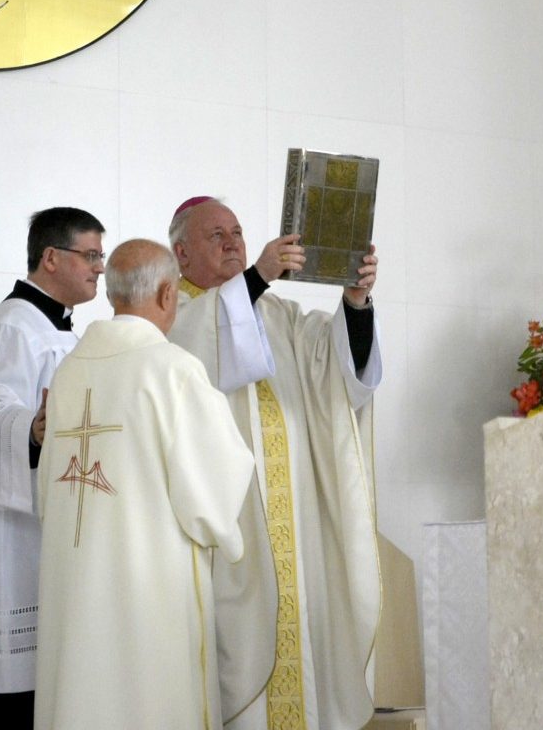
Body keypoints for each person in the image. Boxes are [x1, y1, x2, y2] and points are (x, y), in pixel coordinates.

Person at [167, 196, 383, 730]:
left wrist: (355, 302)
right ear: (181, 253)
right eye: (216, 235)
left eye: (237, 232)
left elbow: (337, 377)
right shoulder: (175, 318)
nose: (232, 242)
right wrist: (259, 276)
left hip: (297, 531)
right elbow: (201, 349)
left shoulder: (278, 315)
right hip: (229, 532)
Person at [34, 239, 258, 729]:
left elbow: (45, 496)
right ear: (166, 294)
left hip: (74, 589)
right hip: (149, 591)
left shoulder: (69, 372)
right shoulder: (173, 369)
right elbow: (214, 495)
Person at [0, 207, 106, 728]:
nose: (99, 267)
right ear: (51, 257)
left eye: (100, 256)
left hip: (50, 534)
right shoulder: (12, 325)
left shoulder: (64, 331)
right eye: (90, 255)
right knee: (9, 703)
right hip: (10, 543)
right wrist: (30, 429)